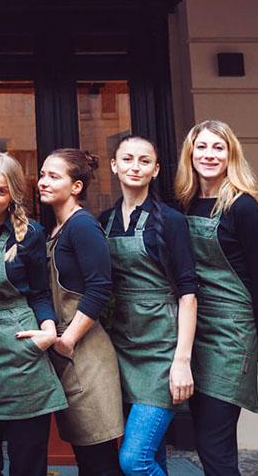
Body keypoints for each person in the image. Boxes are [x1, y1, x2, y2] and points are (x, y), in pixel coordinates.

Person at [173, 120, 258, 476]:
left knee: (215, 441)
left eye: (218, 147)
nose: (209, 155)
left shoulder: (244, 208)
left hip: (232, 335)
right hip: (193, 330)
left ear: (231, 154)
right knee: (204, 438)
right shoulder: (184, 204)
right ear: (190, 154)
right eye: (201, 147)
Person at [0, 153, 68, 476]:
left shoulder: (30, 233)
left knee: (28, 466)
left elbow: (40, 293)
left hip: (22, 359)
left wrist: (48, 332)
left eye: (1, 191)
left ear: (13, 195)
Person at [98, 135, 198, 476]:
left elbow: (188, 293)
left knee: (134, 460)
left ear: (155, 170)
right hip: (122, 347)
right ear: (114, 165)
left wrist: (181, 361)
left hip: (162, 352)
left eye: (144, 161)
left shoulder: (170, 221)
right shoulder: (105, 221)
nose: (134, 167)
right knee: (154, 457)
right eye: (127, 159)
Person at [37, 149, 124, 476]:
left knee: (100, 462)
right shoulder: (57, 229)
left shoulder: (83, 226)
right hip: (70, 356)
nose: (43, 182)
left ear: (76, 186)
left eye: (53, 176)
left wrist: (67, 341)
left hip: (87, 357)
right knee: (86, 461)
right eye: (43, 174)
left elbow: (100, 288)